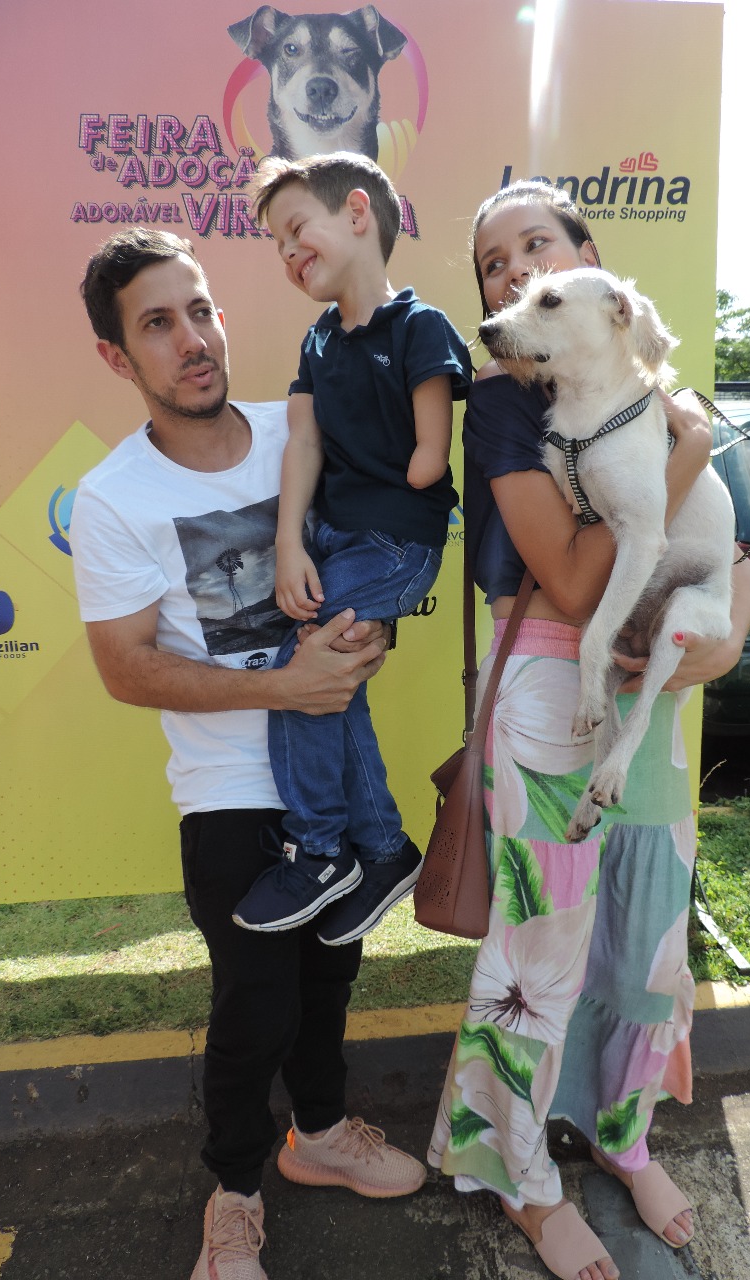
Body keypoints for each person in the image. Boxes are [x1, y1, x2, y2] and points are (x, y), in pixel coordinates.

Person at [70, 227, 429, 1280]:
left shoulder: (299, 433)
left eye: (200, 309)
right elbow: (127, 667)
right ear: (117, 357)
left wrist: (368, 629)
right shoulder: (113, 497)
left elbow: (385, 555)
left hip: (336, 767)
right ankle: (232, 1191)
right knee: (256, 1000)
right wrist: (281, 683)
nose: (192, 339)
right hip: (228, 789)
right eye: (157, 323)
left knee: (330, 980)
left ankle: (319, 1131)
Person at [426, 180, 750, 1280]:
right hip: (548, 688)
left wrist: (731, 638)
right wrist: (682, 453)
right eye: (491, 263)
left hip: (652, 701)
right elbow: (573, 582)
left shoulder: (658, 388)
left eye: (537, 247)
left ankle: (622, 1135)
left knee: (647, 932)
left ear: (591, 265)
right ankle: (524, 1179)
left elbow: (735, 562)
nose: (514, 272)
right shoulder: (509, 405)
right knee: (541, 941)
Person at [230, 151, 473, 946]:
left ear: (358, 213)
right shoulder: (317, 341)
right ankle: (383, 849)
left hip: (396, 539)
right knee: (335, 678)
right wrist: (291, 543)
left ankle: (320, 847)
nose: (289, 253)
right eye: (277, 244)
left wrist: (416, 468)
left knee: (305, 667)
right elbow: (302, 442)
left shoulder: (420, 325)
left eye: (297, 229)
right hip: (332, 535)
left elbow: (434, 444)